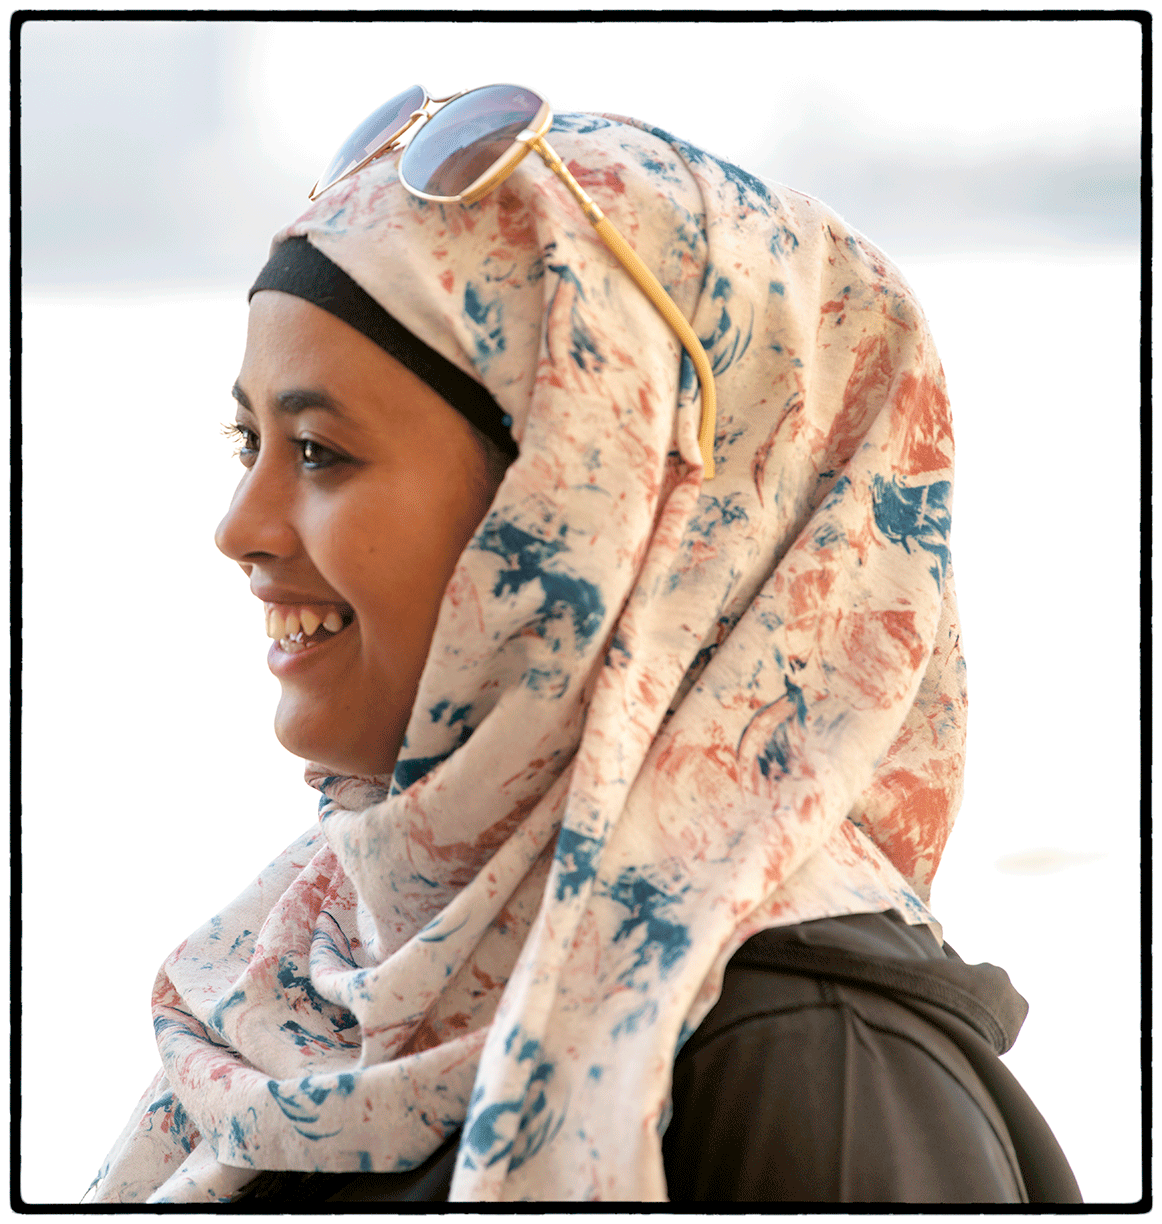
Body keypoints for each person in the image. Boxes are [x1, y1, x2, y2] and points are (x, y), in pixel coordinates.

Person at [89, 88, 1081, 1204]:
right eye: (247, 439)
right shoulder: (312, 976)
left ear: (596, 513)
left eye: (319, 451)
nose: (239, 528)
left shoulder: (797, 1064)